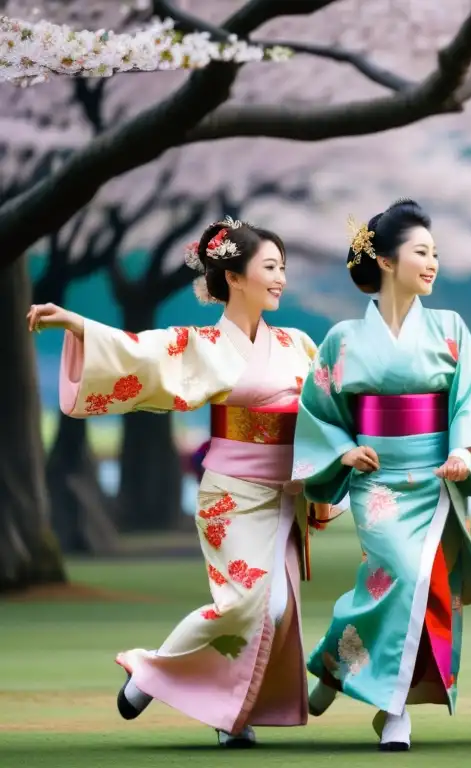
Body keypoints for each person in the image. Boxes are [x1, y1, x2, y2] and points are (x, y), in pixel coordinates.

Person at [26, 216, 338, 748]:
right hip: (232, 494)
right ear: (235, 277)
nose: (281, 277)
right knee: (243, 605)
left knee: (277, 609)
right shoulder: (203, 343)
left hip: (283, 492)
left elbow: (333, 407)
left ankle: (227, 715)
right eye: (270, 267)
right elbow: (140, 352)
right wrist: (78, 325)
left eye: (283, 267)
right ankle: (150, 672)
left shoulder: (299, 343)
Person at [292, 199, 471, 752]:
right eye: (421, 252)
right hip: (378, 483)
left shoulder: (451, 328)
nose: (433, 263)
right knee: (398, 574)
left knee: (420, 584)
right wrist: (342, 452)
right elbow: (320, 411)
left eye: (436, 253)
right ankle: (382, 695)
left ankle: (380, 697)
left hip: (435, 479)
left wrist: (461, 451)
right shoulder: (342, 339)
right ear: (386, 261)